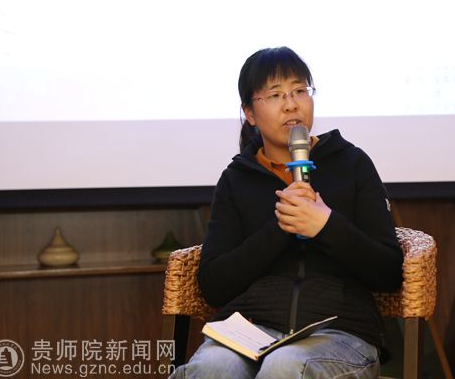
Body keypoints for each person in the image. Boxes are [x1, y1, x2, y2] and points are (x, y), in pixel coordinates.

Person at [170, 46, 403, 379]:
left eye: (299, 91)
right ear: (250, 113)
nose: (291, 104)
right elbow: (214, 285)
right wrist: (280, 226)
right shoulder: (236, 179)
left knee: (286, 365)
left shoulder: (353, 164)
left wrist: (326, 226)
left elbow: (389, 272)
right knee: (212, 368)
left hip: (338, 333)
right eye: (275, 95)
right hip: (250, 332)